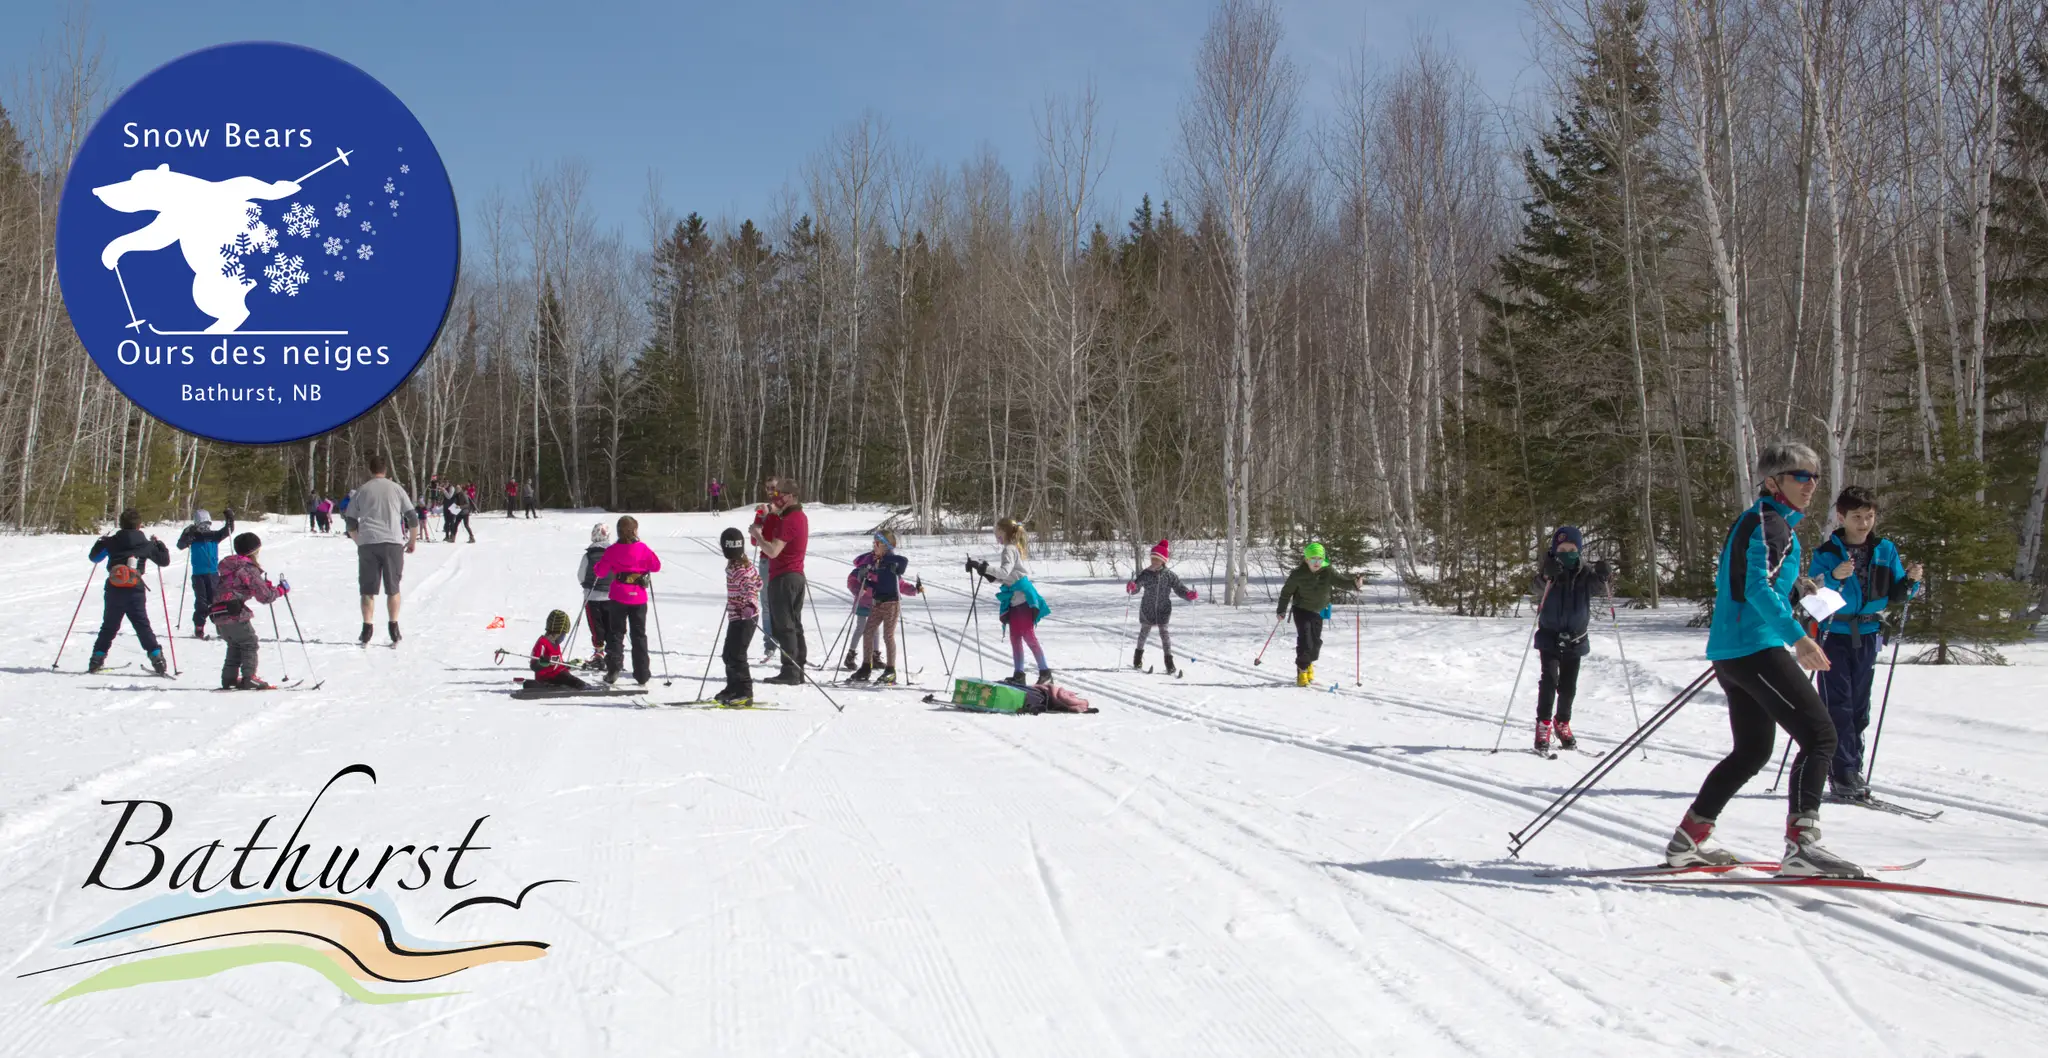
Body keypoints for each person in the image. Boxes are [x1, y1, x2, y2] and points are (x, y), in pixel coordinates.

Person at [1665, 441, 1862, 878]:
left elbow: (1752, 584)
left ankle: (1688, 840)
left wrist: (1798, 590)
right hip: (1755, 646)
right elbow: (1754, 589)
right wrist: (1799, 638)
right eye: (1801, 476)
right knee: (1821, 736)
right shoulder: (1769, 523)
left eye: (1815, 477)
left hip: (1736, 650)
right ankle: (1803, 847)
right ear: (1774, 482)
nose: (1811, 485)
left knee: (1752, 751)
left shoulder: (1771, 523)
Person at [1809, 486, 1923, 802]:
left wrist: (1912, 581)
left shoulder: (1885, 549)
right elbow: (1809, 593)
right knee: (1839, 705)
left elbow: (1899, 593)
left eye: (1869, 516)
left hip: (1869, 633)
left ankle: (1851, 769)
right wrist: (1833, 576)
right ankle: (1842, 772)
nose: (1863, 523)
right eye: (1857, 517)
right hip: (1834, 634)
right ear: (1841, 517)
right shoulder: (1826, 553)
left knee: (1859, 706)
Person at [1531, 525, 1613, 753]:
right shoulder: (1550, 571)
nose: (1567, 552)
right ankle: (1543, 724)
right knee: (1549, 681)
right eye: (1562, 548)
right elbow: (1536, 585)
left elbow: (1599, 588)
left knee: (1568, 687)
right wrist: (1547, 575)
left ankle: (1562, 722)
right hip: (1550, 637)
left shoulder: (1585, 573)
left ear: (1579, 550)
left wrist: (1605, 575)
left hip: (1576, 639)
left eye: (1571, 548)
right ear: (1555, 550)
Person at [969, 517, 1053, 686]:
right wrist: (982, 570)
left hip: (1023, 600)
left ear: (1003, 532)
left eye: (996, 532)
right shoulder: (1010, 549)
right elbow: (1007, 578)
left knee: (1029, 636)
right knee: (1015, 638)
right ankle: (1019, 674)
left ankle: (1045, 672)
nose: (995, 535)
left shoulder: (1009, 549)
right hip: (1016, 600)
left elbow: (1004, 572)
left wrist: (986, 568)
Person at [87, 509, 171, 674]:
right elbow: (164, 561)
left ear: (121, 524)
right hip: (135, 589)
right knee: (142, 625)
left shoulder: (111, 542)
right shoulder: (147, 544)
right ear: (139, 525)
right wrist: (159, 545)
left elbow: (94, 558)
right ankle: (157, 659)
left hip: (114, 588)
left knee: (109, 626)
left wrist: (100, 542)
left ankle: (96, 658)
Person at [345, 453, 417, 645]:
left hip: (368, 542)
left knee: (367, 589)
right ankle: (394, 627)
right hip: (392, 542)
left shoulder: (362, 490)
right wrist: (412, 541)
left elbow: (350, 520)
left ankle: (367, 628)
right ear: (386, 471)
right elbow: (412, 517)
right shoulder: (396, 489)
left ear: (370, 470)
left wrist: (358, 540)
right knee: (393, 588)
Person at [1276, 542, 1367, 687]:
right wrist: (1281, 610)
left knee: (1316, 643)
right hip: (1302, 609)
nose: (1316, 563)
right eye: (1313, 559)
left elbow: (1341, 582)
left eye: (1319, 559)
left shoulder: (1328, 571)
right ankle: (1302, 670)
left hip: (1319, 610)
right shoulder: (1298, 574)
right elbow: (1286, 593)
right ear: (1306, 560)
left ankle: (1309, 663)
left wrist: (1354, 584)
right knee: (1305, 641)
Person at [210, 532, 286, 689]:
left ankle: (229, 678)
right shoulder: (247, 568)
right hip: (233, 610)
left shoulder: (229, 566)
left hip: (217, 611)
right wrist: (280, 590)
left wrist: (264, 586)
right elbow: (264, 597)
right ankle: (249, 677)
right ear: (254, 551)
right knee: (249, 642)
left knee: (235, 644)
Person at [752, 478, 810, 685]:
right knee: (794, 624)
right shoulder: (797, 516)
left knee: (785, 626)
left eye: (781, 495)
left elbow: (773, 551)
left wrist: (757, 536)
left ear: (791, 496)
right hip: (794, 576)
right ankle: (797, 668)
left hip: (784, 577)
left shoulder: (792, 519)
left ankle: (790, 671)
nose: (777, 498)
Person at [592, 515, 661, 685]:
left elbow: (600, 572)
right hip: (638, 597)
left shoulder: (613, 550)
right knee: (639, 635)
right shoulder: (642, 548)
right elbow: (656, 566)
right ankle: (642, 673)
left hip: (619, 596)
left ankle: (613, 668)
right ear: (635, 530)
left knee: (616, 634)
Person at [851, 531, 918, 684]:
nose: (874, 547)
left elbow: (904, 561)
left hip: (891, 604)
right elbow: (879, 583)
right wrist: (866, 581)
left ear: (885, 546)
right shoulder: (877, 562)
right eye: (873, 544)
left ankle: (890, 670)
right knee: (868, 632)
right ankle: (866, 666)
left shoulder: (891, 560)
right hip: (877, 602)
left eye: (877, 544)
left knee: (888, 636)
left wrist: (887, 558)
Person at [1126, 539, 1198, 675]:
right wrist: (1132, 587)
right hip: (1147, 608)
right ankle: (1137, 659)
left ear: (1163, 561)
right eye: (1152, 559)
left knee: (1165, 635)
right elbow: (1136, 588)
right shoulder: (1145, 574)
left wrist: (1189, 594)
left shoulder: (1169, 575)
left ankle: (1169, 663)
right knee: (1144, 633)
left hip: (1163, 609)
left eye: (1157, 560)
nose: (1154, 562)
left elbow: (1180, 589)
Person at [717, 527, 763, 704]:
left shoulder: (739, 569)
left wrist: (750, 605)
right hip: (736, 617)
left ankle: (745, 692)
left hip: (746, 618)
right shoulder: (741, 565)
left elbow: (751, 587)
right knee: (728, 654)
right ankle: (733, 687)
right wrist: (734, 599)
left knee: (737, 655)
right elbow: (758, 581)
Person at [176, 507, 235, 640]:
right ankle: (199, 628)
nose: (205, 528)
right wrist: (186, 533)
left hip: (213, 574)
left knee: (216, 601)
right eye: (202, 525)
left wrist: (230, 518)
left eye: (207, 524)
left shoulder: (214, 536)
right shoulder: (193, 537)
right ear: (196, 524)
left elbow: (229, 530)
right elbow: (180, 545)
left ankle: (221, 627)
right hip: (198, 575)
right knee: (202, 603)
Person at [576, 523, 615, 671]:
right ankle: (613, 655)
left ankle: (599, 653)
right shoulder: (614, 553)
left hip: (592, 597)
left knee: (596, 626)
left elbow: (580, 575)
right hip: (611, 597)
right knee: (611, 626)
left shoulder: (588, 555)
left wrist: (585, 585)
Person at [527, 610, 587, 690]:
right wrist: (544, 662)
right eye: (563, 634)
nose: (563, 637)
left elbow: (558, 664)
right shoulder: (542, 643)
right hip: (546, 677)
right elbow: (534, 665)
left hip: (558, 674)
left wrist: (569, 664)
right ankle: (546, 686)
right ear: (557, 631)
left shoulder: (556, 644)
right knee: (573, 682)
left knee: (576, 682)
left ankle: (572, 686)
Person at [750, 499, 779, 663]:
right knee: (767, 604)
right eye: (769, 489)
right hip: (765, 561)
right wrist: (759, 523)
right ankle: (770, 644)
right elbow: (754, 541)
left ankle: (785, 642)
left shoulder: (781, 512)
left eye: (774, 489)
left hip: (781, 562)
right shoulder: (761, 513)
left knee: (781, 604)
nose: (772, 493)